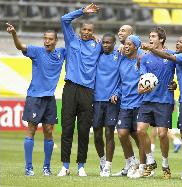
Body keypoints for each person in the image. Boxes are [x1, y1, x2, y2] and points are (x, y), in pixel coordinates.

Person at [141, 34, 182, 180]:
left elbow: (169, 57)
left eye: (181, 42)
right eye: (177, 40)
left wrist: (151, 47)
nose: (177, 43)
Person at [6, 23, 66, 176]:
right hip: (35, 97)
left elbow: (78, 48)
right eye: (45, 38)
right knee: (31, 130)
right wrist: (14, 33)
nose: (47, 41)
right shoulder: (37, 51)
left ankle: (46, 168)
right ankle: (29, 167)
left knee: (48, 131)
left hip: (50, 99)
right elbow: (20, 46)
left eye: (50, 39)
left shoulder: (62, 53)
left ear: (56, 41)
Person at [58, 3, 102, 177]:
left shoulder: (97, 45)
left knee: (84, 130)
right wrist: (82, 12)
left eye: (90, 31)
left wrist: (99, 39)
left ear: (92, 33)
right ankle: (65, 166)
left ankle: (81, 166)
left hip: (87, 91)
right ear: (80, 30)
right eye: (84, 29)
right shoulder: (71, 40)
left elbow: (111, 45)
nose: (86, 32)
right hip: (70, 88)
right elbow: (64, 19)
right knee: (67, 128)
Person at [136, 27, 176, 179]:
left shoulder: (171, 56)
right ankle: (151, 161)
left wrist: (175, 84)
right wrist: (141, 89)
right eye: (149, 36)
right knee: (140, 130)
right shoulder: (145, 58)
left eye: (153, 36)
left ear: (161, 39)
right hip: (147, 100)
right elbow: (144, 79)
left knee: (162, 134)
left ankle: (165, 165)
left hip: (164, 100)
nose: (150, 38)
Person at [111, 35, 146, 178]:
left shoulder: (141, 59)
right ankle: (132, 162)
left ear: (136, 47)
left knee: (139, 136)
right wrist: (116, 93)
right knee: (122, 133)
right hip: (125, 103)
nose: (126, 46)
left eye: (130, 44)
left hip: (139, 103)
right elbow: (121, 82)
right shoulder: (122, 61)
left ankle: (145, 164)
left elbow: (146, 80)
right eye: (125, 44)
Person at [92, 33, 121, 177]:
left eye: (108, 43)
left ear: (114, 43)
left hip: (112, 101)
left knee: (109, 132)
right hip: (96, 100)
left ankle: (108, 166)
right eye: (103, 42)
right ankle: (102, 160)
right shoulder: (97, 55)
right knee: (97, 133)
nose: (105, 45)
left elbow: (124, 77)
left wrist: (117, 92)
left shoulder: (119, 55)